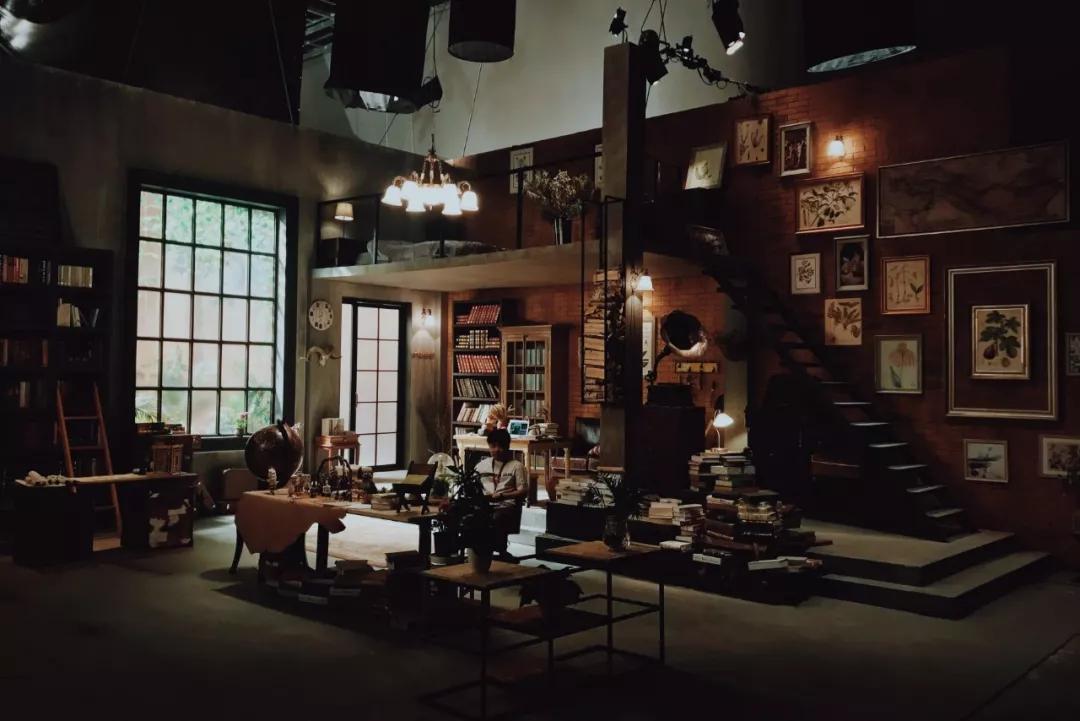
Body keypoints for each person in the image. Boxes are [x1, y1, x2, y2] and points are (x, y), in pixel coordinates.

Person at [473, 429, 527, 559]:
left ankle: (498, 551)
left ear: (507, 446)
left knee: (496, 518)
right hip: (485, 504)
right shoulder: (482, 466)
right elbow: (473, 485)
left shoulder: (516, 466)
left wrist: (503, 496)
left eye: (500, 446)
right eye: (493, 446)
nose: (496, 450)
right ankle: (478, 551)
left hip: (506, 505)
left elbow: (523, 490)